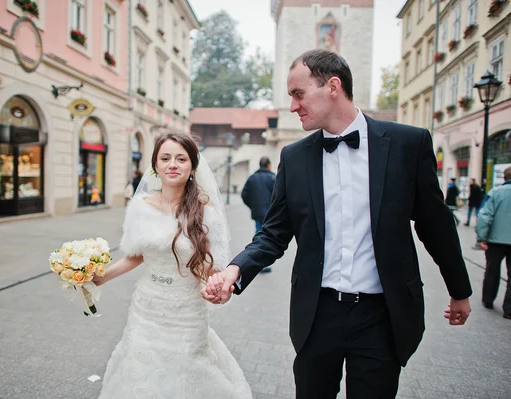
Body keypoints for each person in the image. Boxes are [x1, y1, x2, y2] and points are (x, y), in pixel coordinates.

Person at [202, 49, 472, 399]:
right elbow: (273, 234)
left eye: (298, 94)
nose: (293, 106)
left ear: (333, 86)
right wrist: (235, 271)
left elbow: (435, 224)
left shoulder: (408, 144)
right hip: (317, 313)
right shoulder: (294, 157)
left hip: (383, 314)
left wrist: (460, 290)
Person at [94, 132, 252, 399]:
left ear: (192, 166)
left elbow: (211, 268)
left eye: (181, 158)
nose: (173, 164)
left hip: (186, 311)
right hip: (146, 308)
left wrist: (217, 288)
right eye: (165, 158)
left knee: (188, 371)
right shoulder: (139, 207)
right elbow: (136, 255)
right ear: (155, 165)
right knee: (140, 369)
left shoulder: (204, 210)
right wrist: (101, 277)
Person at [475, 166, 511, 320]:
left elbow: (485, 216)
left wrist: (481, 238)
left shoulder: (496, 192)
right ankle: (509, 309)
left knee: (492, 270)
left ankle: (488, 299)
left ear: (505, 177)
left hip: (495, 241)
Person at [241, 156, 276, 273]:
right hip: (269, 213)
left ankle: (257, 261)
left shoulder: (252, 178)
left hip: (257, 213)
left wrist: (253, 206)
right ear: (269, 165)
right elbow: (278, 197)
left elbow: (244, 195)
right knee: (267, 238)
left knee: (258, 234)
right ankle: (262, 263)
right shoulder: (273, 178)